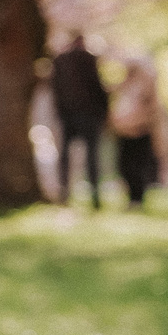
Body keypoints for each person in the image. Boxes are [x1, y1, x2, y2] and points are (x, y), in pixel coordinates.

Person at [50, 32, 110, 209]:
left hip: (67, 114)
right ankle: (94, 195)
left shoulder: (60, 61)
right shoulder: (88, 59)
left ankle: (64, 192)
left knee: (65, 156)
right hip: (89, 115)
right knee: (91, 155)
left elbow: (55, 89)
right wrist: (104, 111)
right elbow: (97, 86)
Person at [109, 54, 167, 209]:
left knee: (138, 167)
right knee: (124, 166)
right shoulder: (124, 85)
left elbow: (153, 111)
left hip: (140, 132)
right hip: (123, 133)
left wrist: (140, 122)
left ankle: (137, 199)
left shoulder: (147, 87)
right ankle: (132, 198)